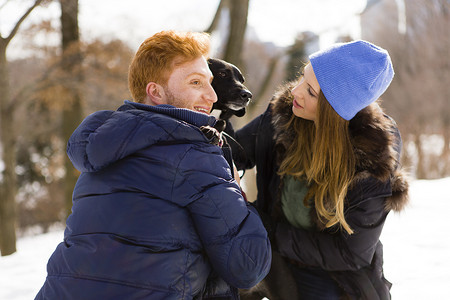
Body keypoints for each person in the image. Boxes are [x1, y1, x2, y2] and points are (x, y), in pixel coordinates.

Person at [35, 30, 271, 300]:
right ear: (155, 92)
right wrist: (237, 192)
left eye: (209, 82)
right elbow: (249, 266)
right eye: (196, 82)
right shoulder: (195, 156)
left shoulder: (104, 148)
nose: (212, 96)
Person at [228, 40, 409, 299]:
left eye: (311, 92)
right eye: (303, 76)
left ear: (335, 112)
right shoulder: (284, 113)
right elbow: (235, 151)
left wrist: (267, 228)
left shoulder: (373, 160)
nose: (296, 92)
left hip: (334, 273)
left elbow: (350, 253)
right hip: (273, 252)